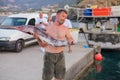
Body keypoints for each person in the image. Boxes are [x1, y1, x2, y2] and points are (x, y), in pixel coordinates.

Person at [34, 9, 73, 80]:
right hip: (49, 55)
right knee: (47, 78)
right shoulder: (47, 27)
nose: (64, 19)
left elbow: (70, 38)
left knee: (59, 77)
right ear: (57, 15)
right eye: (63, 16)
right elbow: (43, 45)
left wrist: (70, 41)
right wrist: (38, 38)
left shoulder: (65, 29)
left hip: (60, 55)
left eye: (65, 17)